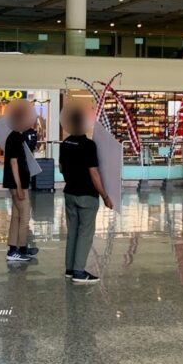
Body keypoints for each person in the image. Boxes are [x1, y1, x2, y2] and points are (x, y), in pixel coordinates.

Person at [59, 108, 112, 284]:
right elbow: (94, 173)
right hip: (87, 195)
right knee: (85, 233)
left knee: (73, 231)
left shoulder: (65, 143)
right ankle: (79, 272)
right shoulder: (89, 145)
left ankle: (69, 268)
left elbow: (61, 168)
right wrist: (104, 195)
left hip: (70, 193)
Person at [2, 100, 37, 263]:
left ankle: (13, 248)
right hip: (18, 183)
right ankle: (21, 248)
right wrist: (19, 187)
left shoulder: (15, 137)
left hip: (15, 182)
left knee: (16, 216)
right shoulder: (15, 138)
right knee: (24, 216)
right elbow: (14, 162)